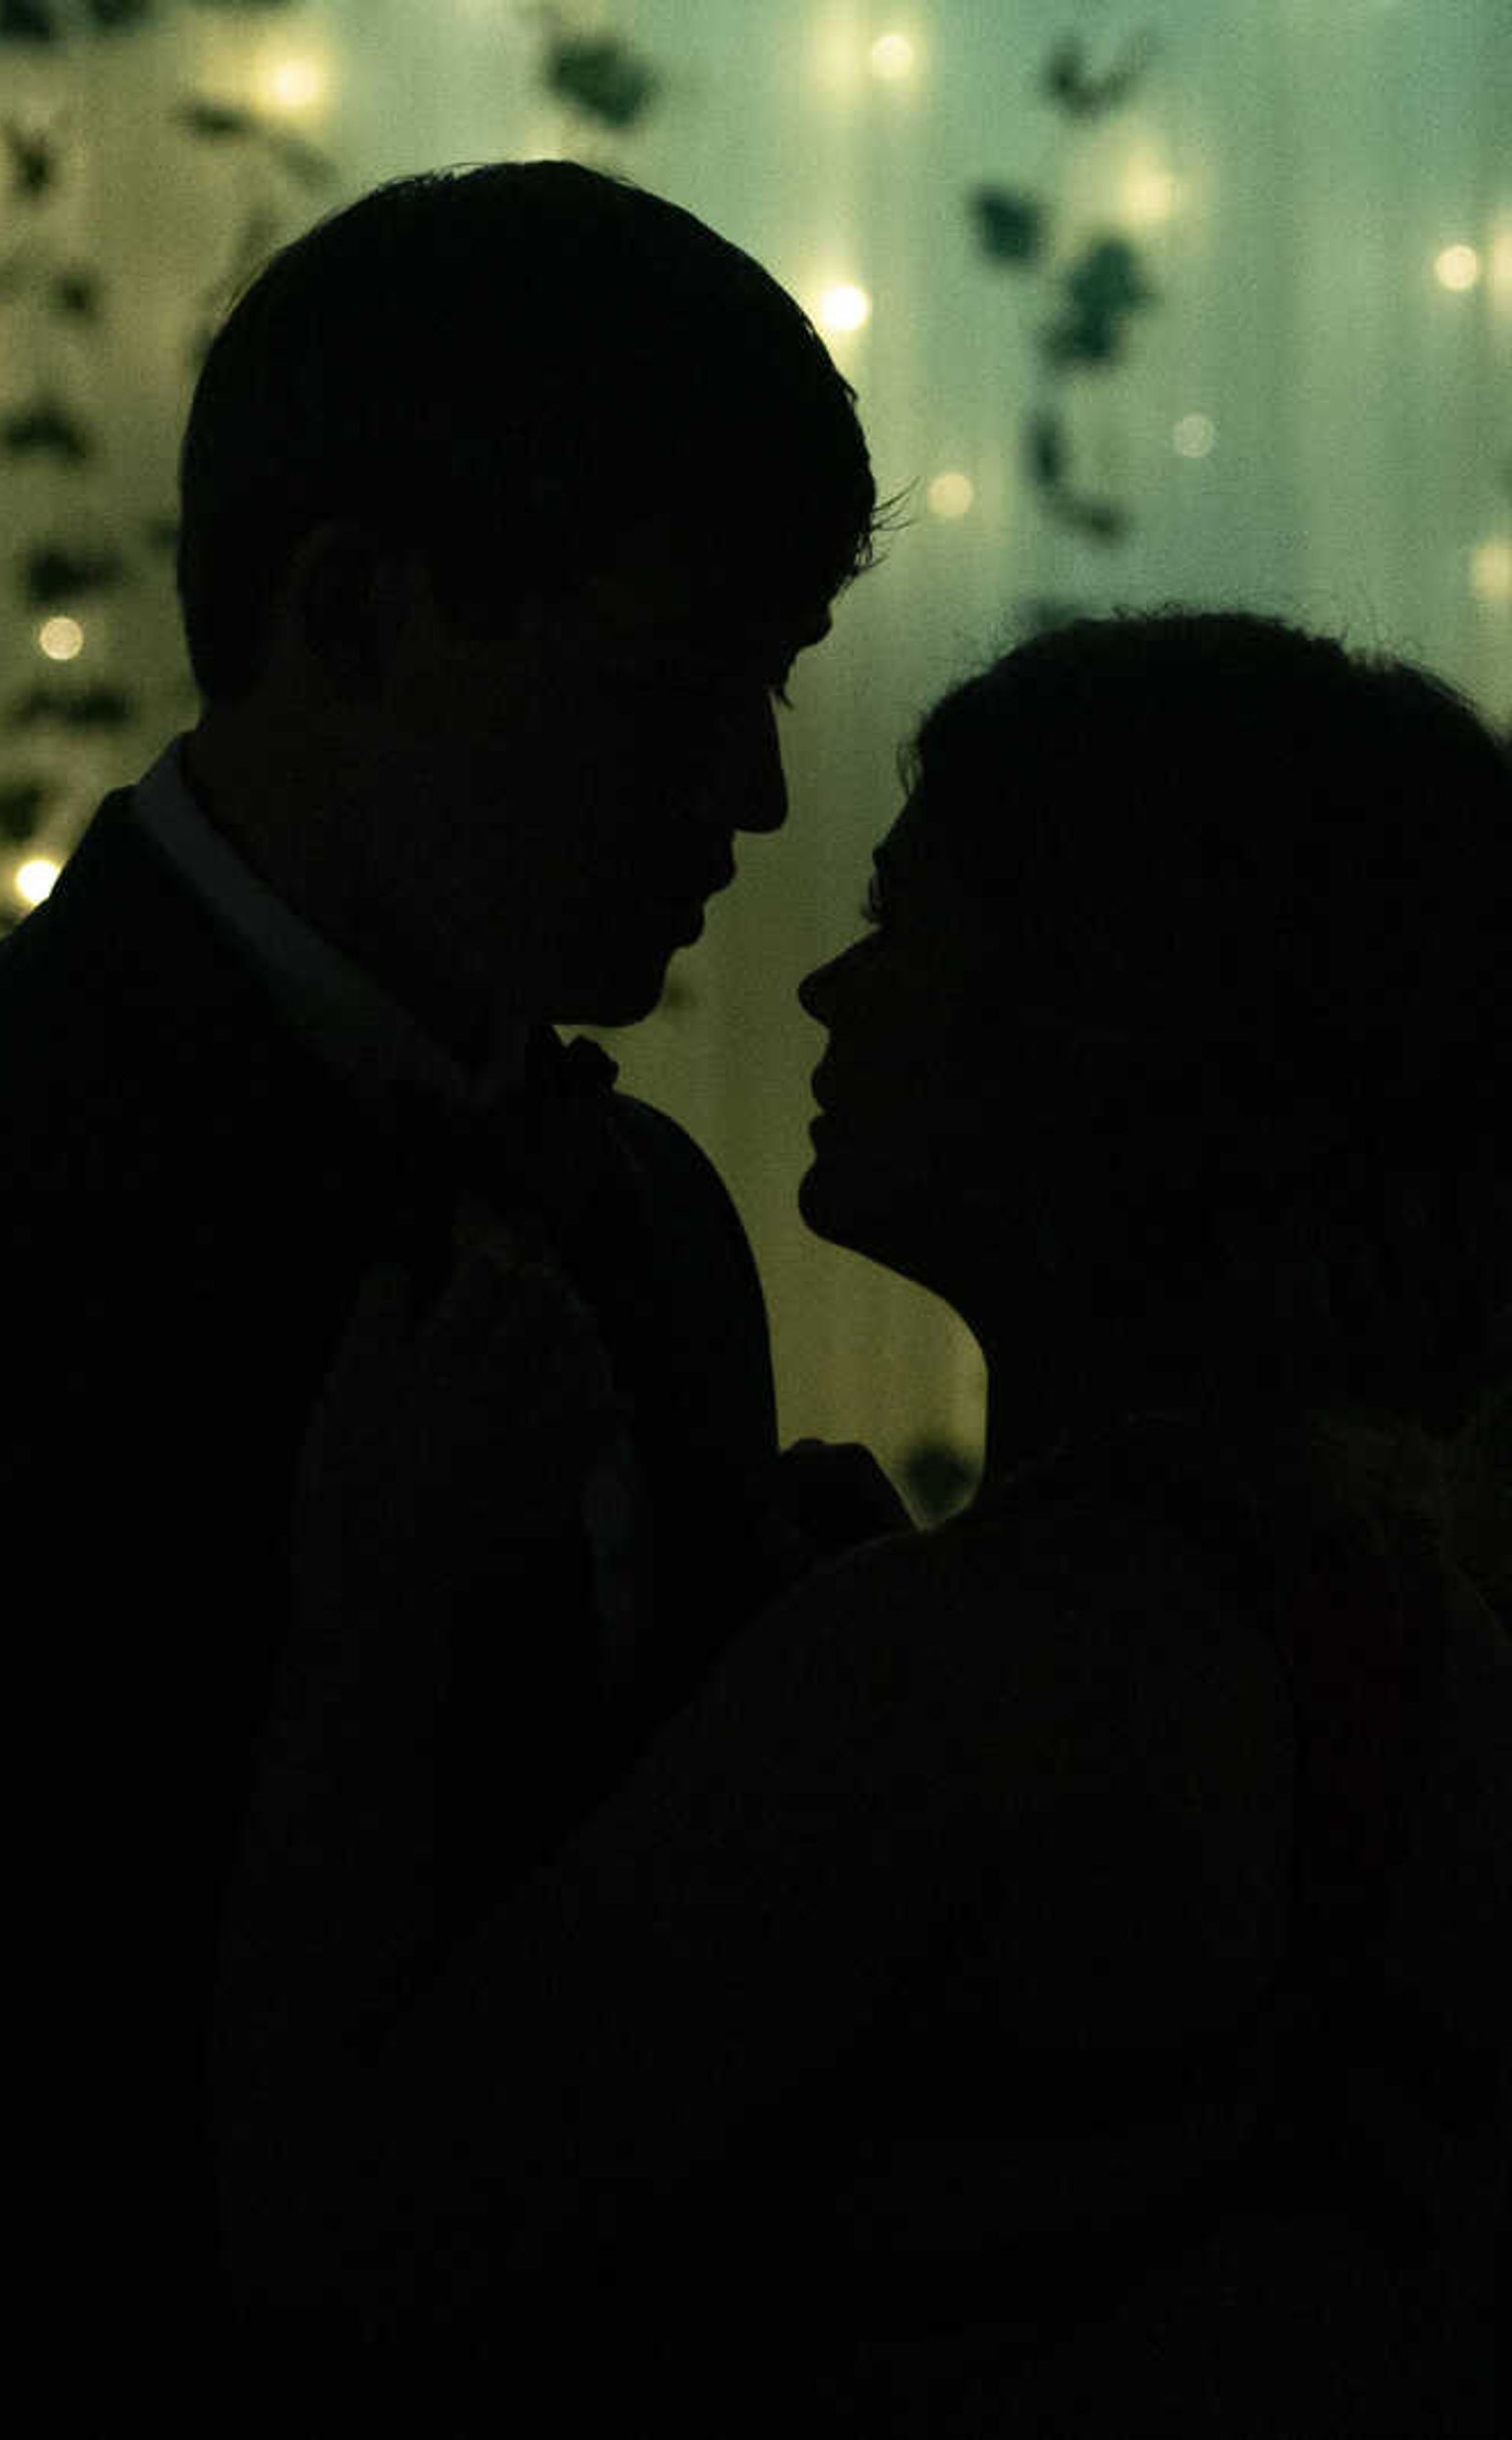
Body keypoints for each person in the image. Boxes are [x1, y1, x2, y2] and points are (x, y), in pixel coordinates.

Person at [0, 160, 895, 2431]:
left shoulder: (650, 1212)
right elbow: (6, 2167)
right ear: (352, 618)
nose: (759, 790)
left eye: (778, 676)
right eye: (682, 677)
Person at [218, 609, 1512, 2432]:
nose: (830, 988)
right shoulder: (1438, 1655)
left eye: (906, 922)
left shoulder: (952, 1674)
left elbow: (342, 2233)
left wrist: (373, 1621)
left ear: (1105, 1030)